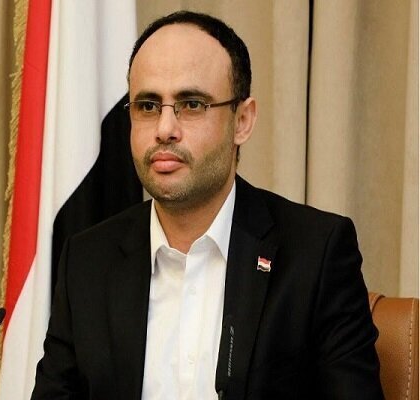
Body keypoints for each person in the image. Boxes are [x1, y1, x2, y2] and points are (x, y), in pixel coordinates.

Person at [31, 11, 383, 400]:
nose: (165, 129)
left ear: (242, 121)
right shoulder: (88, 261)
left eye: (192, 104)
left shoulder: (315, 254)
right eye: (148, 106)